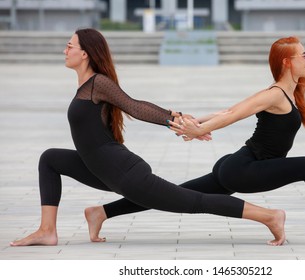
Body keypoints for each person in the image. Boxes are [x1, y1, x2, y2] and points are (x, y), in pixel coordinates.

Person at [82, 36, 305, 246]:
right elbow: (235, 114)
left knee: (170, 194)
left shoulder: (288, 93)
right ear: (288, 62)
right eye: (304, 55)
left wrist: (198, 122)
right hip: (243, 169)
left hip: (238, 166)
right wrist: (198, 131)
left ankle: (102, 212)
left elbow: (227, 111)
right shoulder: (274, 93)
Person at [10, 28, 287, 247]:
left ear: (85, 54)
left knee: (193, 202)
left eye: (70, 46)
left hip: (122, 171)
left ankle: (270, 216)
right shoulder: (85, 85)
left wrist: (174, 118)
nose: (65, 50)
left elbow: (134, 106)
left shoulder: (98, 83)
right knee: (50, 159)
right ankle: (51, 229)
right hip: (100, 168)